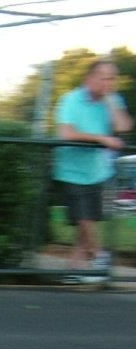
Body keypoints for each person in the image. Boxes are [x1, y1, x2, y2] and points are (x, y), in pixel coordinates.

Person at [53, 58, 133, 275]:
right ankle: (99, 256)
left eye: (112, 78)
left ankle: (73, 270)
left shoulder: (112, 100)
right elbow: (66, 133)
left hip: (98, 170)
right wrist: (101, 139)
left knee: (86, 223)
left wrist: (110, 102)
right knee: (83, 218)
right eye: (105, 78)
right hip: (72, 170)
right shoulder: (70, 99)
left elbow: (124, 126)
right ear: (90, 78)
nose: (110, 82)